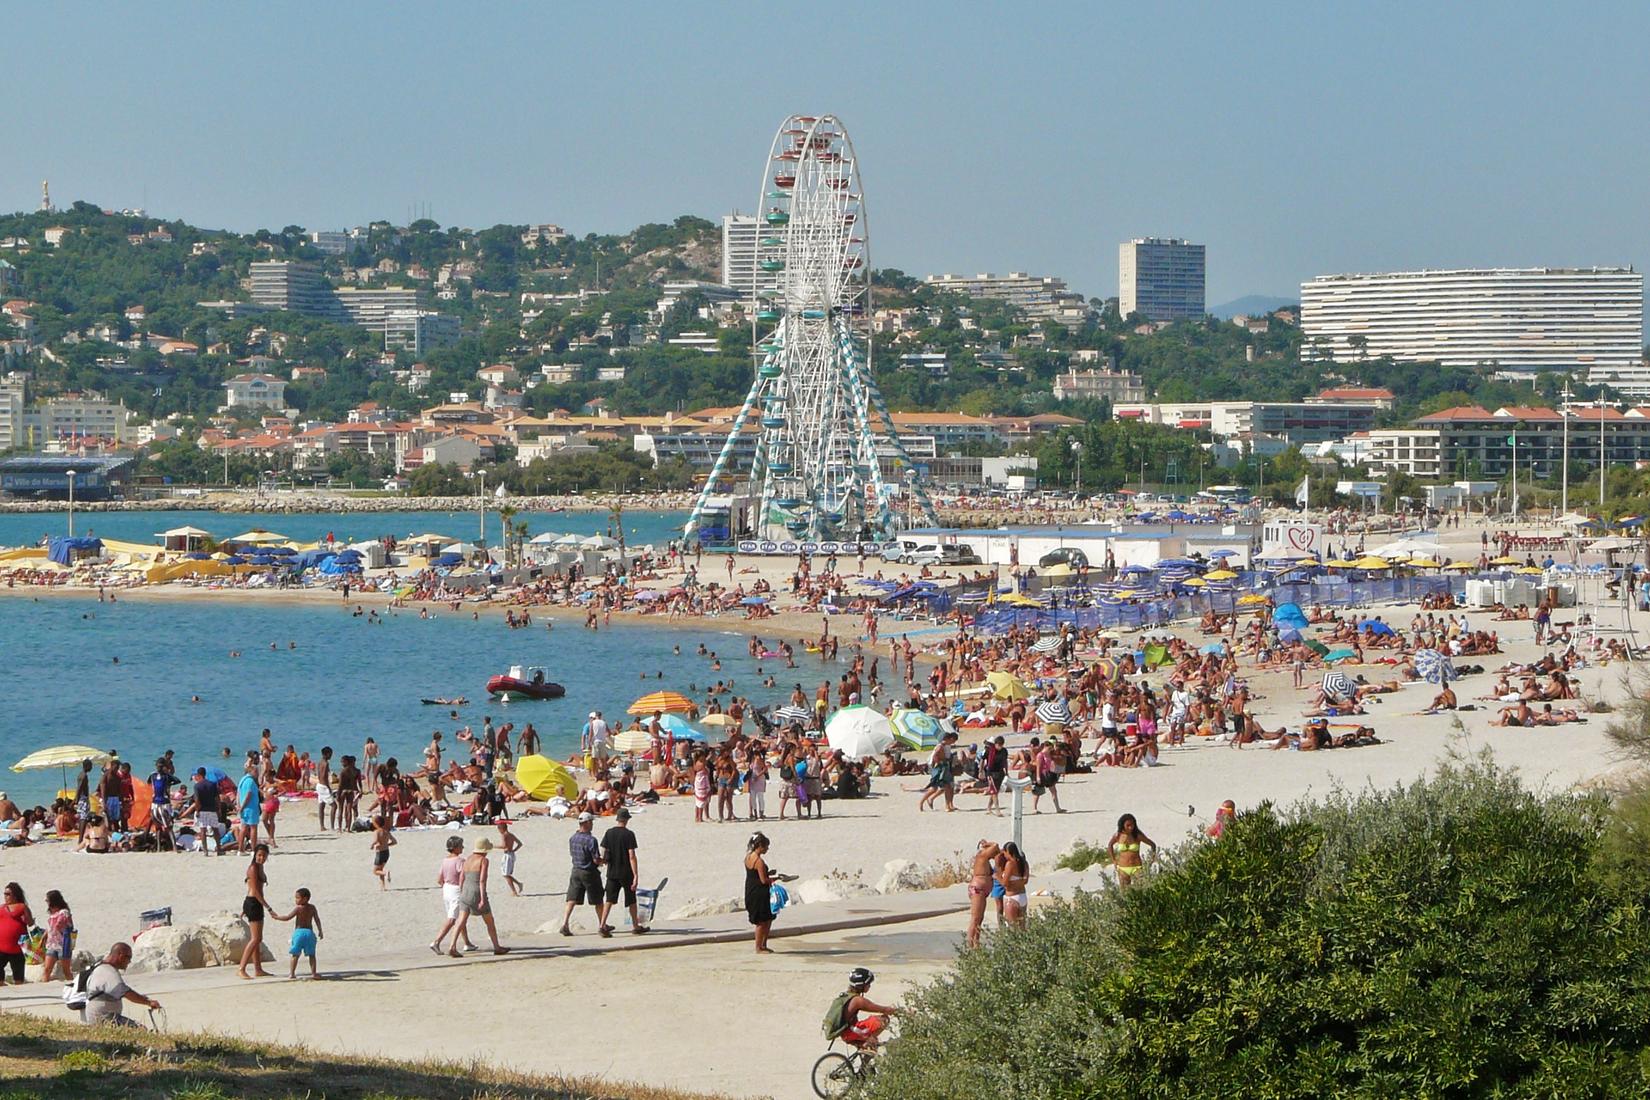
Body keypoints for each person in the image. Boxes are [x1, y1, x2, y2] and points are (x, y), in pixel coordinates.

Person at [450, 837, 509, 956]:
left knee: (461, 921)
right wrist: (482, 898)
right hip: (476, 891)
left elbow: (462, 877)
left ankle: (452, 946)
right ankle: (497, 947)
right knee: (489, 921)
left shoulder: (468, 859)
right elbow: (482, 880)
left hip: (465, 891)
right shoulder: (483, 860)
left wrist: (462, 892)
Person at [82, 942, 161, 1026]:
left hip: (106, 1015)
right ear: (120, 955)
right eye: (129, 957)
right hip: (103, 1017)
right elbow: (126, 992)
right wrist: (148, 1002)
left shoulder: (103, 968)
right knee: (140, 1030)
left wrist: (142, 998)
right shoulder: (108, 971)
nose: (129, 961)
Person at [598, 807, 649, 937]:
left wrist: (604, 861)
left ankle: (602, 925)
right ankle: (635, 926)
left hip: (612, 872)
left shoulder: (609, 832)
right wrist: (636, 875)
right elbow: (631, 855)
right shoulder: (629, 834)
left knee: (609, 899)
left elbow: (603, 849)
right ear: (626, 820)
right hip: (626, 872)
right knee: (631, 900)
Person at [824, 967, 901, 1052]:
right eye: (868, 984)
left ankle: (865, 1063)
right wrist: (902, 1012)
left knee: (871, 1049)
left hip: (847, 1032)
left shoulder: (847, 996)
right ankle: (868, 1042)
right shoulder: (858, 1001)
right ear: (861, 986)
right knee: (884, 1020)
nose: (869, 986)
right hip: (850, 1033)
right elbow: (884, 1009)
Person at [559, 812, 605, 936]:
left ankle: (565, 923)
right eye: (591, 822)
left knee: (572, 899)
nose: (592, 824)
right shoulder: (591, 840)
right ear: (587, 823)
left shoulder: (573, 838)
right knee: (598, 900)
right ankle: (602, 925)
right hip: (589, 871)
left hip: (576, 870)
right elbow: (595, 859)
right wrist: (603, 860)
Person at [430, 835, 478, 955]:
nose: (463, 847)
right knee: (452, 918)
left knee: (460, 917)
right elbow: (463, 877)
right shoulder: (460, 861)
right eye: (461, 845)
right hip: (456, 889)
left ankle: (467, 943)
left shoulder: (445, 860)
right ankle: (436, 941)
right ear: (456, 848)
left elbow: (439, 879)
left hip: (446, 888)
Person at [270, 887, 323, 980]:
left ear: (305, 898)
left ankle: (292, 973)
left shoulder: (298, 908)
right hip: (309, 933)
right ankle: (314, 973)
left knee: (295, 954)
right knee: (312, 955)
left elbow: (287, 917)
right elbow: (317, 919)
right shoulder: (312, 907)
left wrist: (277, 917)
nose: (296, 900)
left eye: (297, 898)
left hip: (299, 933)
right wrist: (320, 931)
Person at [238, 844, 273, 979]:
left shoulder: (260, 867)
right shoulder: (252, 868)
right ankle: (242, 968)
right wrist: (268, 907)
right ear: (255, 855)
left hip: (255, 903)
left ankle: (258, 969)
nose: (261, 858)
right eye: (259, 855)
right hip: (253, 902)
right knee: (256, 938)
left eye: (264, 856)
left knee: (258, 938)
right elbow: (255, 891)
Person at [744, 831, 778, 954]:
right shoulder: (759, 862)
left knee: (767, 919)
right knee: (762, 921)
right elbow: (763, 880)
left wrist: (768, 873)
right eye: (766, 847)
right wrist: (775, 879)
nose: (767, 849)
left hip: (751, 889)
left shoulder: (748, 857)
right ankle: (759, 947)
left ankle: (763, 945)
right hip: (759, 893)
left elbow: (755, 875)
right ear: (760, 846)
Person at [965, 841, 1000, 949]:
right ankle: (970, 945)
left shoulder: (985, 859)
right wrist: (988, 844)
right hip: (978, 889)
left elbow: (998, 851)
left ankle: (976, 943)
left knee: (980, 918)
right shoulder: (982, 856)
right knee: (975, 918)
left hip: (982, 890)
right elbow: (995, 846)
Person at [1108, 813, 1156, 889]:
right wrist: (1113, 860)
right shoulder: (1118, 835)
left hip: (1137, 867)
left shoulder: (1137, 835)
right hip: (1123, 868)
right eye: (1128, 825)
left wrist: (1152, 859)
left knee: (1141, 890)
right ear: (1122, 825)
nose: (1130, 828)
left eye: (1132, 825)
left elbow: (1152, 845)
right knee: (1125, 893)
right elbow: (1110, 845)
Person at [0, 882, 32, 985]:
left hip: (18, 948)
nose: (5, 896)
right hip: (1, 947)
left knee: (18, 978)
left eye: (8, 894)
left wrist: (26, 919)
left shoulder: (22, 907)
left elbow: (30, 923)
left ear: (15, 895)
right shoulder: (1, 908)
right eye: (5, 894)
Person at [40, 889, 74, 983]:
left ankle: (73, 986)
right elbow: (50, 928)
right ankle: (44, 987)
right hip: (52, 945)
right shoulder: (52, 914)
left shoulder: (64, 912)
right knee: (47, 969)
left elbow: (59, 925)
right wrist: (44, 936)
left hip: (63, 945)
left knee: (66, 971)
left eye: (48, 900)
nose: (46, 901)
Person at [997, 841, 1030, 929]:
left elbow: (1004, 883)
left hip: (1011, 898)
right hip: (1022, 896)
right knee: (1022, 928)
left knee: (1012, 928)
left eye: (1004, 853)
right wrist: (1017, 882)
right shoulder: (1024, 863)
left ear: (1008, 852)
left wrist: (997, 876)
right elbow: (1025, 881)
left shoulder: (1010, 864)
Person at [494, 819, 524, 896]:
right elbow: (520, 844)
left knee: (506, 874)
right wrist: (514, 850)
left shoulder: (504, 835)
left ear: (501, 829)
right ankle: (518, 884)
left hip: (507, 855)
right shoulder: (511, 835)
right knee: (506, 874)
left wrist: (494, 846)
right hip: (512, 854)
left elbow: (504, 846)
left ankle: (514, 891)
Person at [370, 815, 396, 889]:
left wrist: (372, 845)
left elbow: (376, 841)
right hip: (386, 852)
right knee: (380, 869)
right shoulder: (386, 832)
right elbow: (394, 842)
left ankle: (386, 873)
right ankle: (383, 886)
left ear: (376, 823)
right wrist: (387, 844)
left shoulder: (377, 832)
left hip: (380, 853)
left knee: (375, 871)